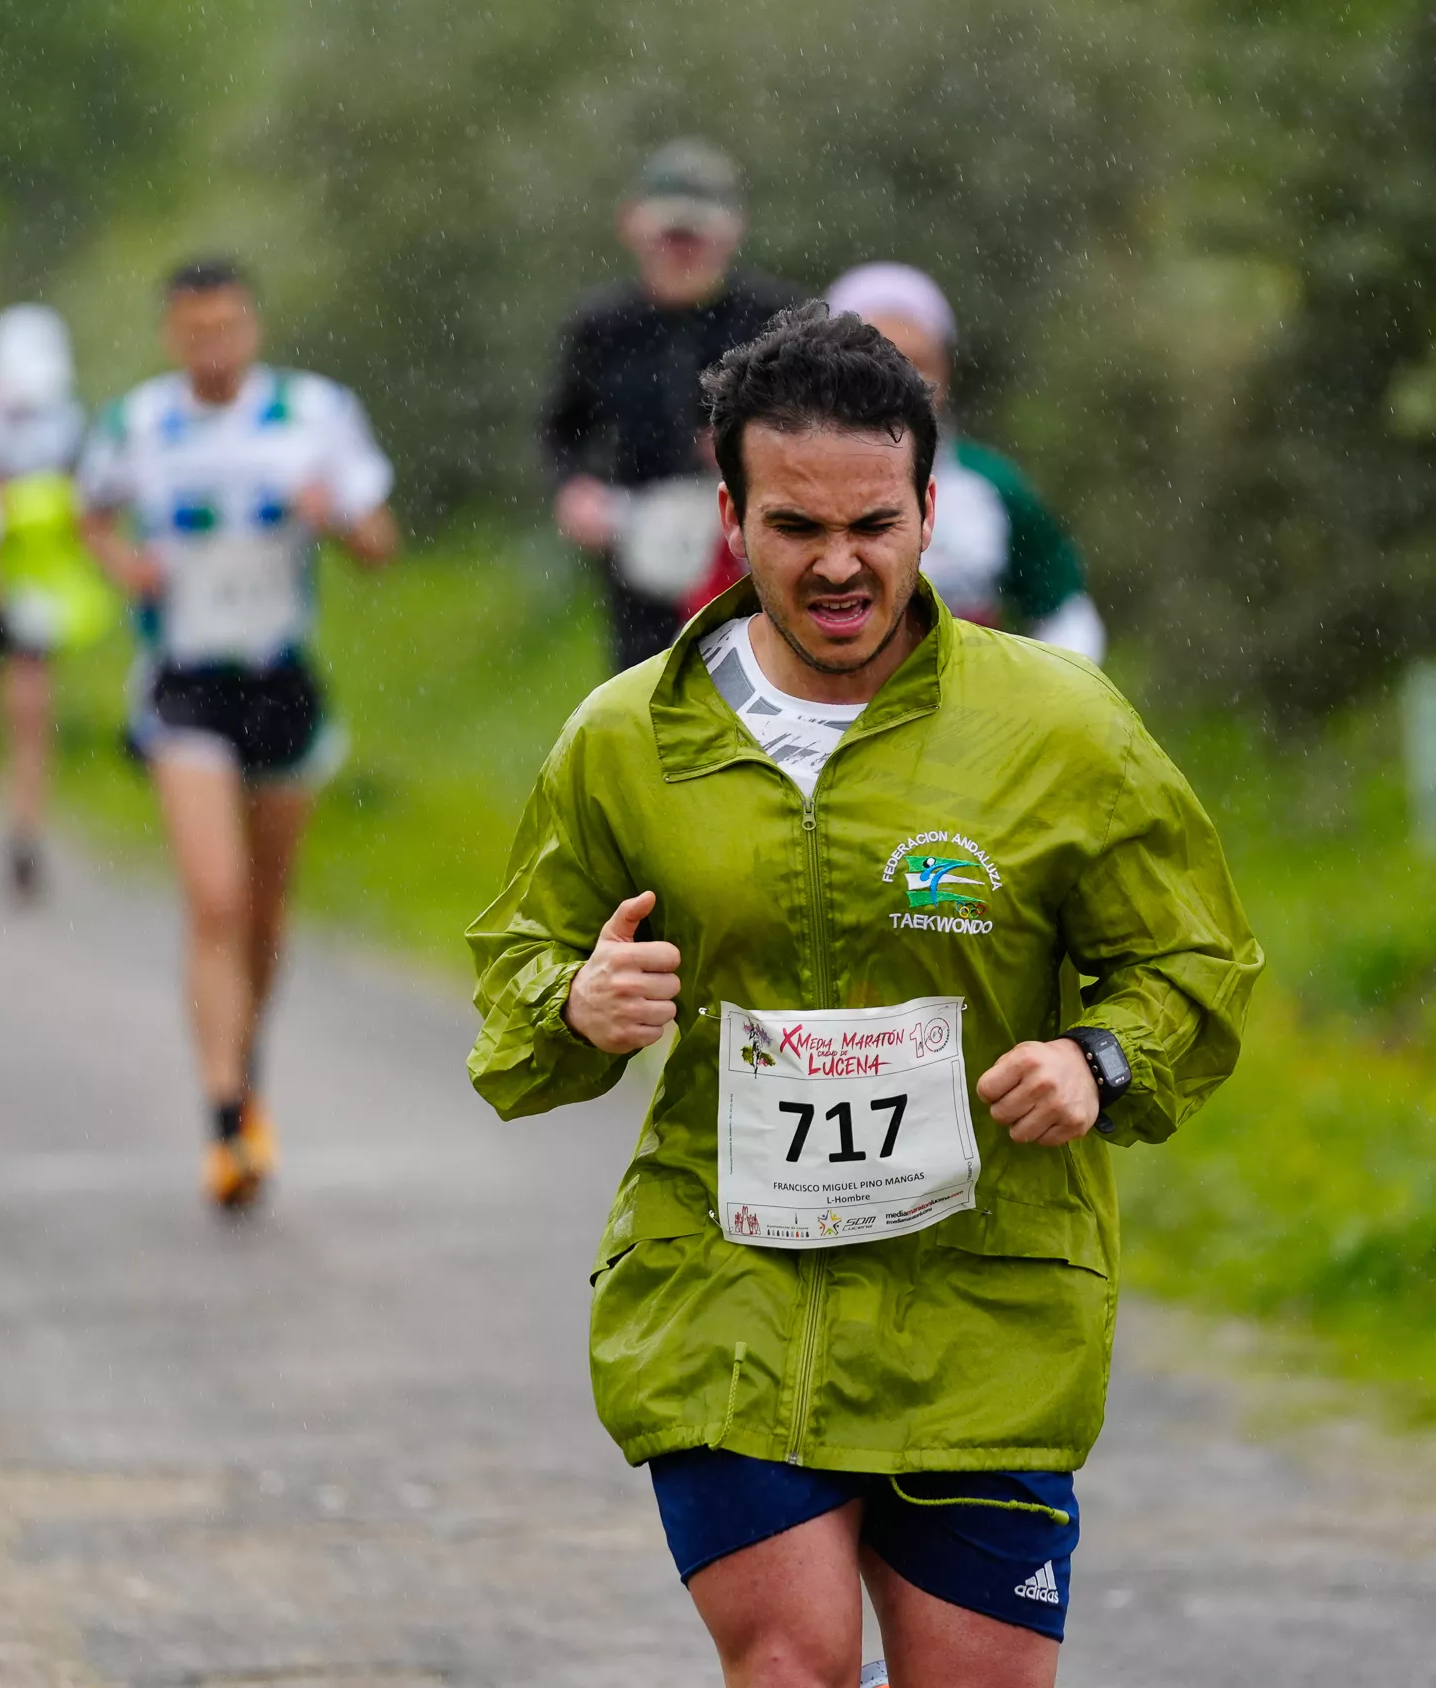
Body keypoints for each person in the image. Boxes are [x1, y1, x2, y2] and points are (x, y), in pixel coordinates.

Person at [468, 306, 1262, 1686]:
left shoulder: (1060, 730)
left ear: (930, 510)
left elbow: (1191, 966)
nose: (839, 565)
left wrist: (1101, 1063)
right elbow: (519, 968)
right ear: (732, 513)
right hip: (726, 1287)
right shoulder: (626, 739)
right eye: (794, 527)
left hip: (986, 1305)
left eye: (875, 525)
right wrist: (574, 1004)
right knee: (795, 1662)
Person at [79, 257, 398, 1212]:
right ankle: (224, 1116)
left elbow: (380, 545)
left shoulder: (315, 414)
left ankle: (243, 1064)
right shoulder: (138, 423)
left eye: (228, 327)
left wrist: (336, 515)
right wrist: (122, 562)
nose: (211, 346)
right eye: (193, 330)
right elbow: (88, 510)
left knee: (263, 907)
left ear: (251, 328)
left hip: (279, 682)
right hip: (183, 686)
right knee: (213, 897)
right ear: (171, 333)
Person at [688, 266, 1109, 665]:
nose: (900, 382)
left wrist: (1038, 699)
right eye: (878, 362)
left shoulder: (994, 486)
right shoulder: (765, 483)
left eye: (918, 362)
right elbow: (706, 624)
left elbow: (1064, 610)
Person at [540, 138, 800, 671]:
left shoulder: (773, 318)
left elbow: (818, 428)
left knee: (761, 689)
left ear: (733, 230)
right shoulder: (603, 325)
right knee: (648, 696)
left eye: (695, 234)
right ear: (632, 225)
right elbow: (561, 429)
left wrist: (751, 446)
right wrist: (572, 489)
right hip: (641, 548)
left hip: (753, 546)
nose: (682, 249)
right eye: (670, 234)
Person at [0, 303, 113, 902]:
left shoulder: (69, 421)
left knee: (30, 717)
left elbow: (89, 502)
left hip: (33, 588)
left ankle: (24, 833)